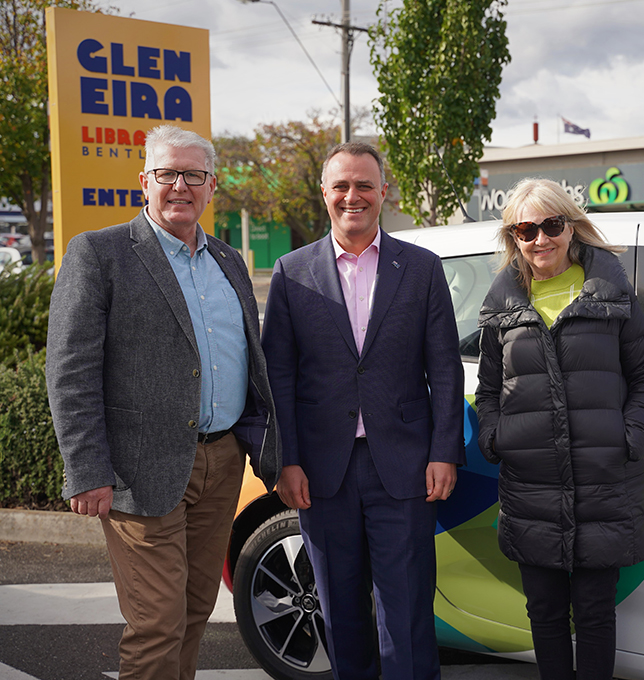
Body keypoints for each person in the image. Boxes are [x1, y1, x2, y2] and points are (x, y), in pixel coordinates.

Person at [46, 125, 280, 680]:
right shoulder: (99, 254)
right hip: (139, 469)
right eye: (167, 173)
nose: (180, 185)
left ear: (212, 185)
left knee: (195, 611)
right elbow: (70, 370)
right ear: (144, 182)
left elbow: (248, 363)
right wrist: (87, 470)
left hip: (222, 462)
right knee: (157, 623)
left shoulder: (229, 260)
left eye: (193, 175)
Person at [261, 141, 465, 680]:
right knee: (340, 613)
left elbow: (445, 368)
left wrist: (444, 451)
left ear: (383, 192)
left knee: (408, 613)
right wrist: (285, 461)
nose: (353, 196)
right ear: (325, 193)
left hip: (404, 468)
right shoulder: (290, 272)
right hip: (321, 473)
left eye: (364, 185)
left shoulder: (421, 269)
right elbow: (278, 377)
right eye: (342, 186)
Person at [475, 178, 644, 680]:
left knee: (596, 614)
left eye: (551, 225)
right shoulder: (503, 308)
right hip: (531, 488)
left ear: (571, 227)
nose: (540, 239)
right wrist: (495, 438)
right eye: (526, 230)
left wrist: (630, 438)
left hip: (602, 484)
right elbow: (488, 391)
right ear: (514, 238)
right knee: (544, 613)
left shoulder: (611, 294)